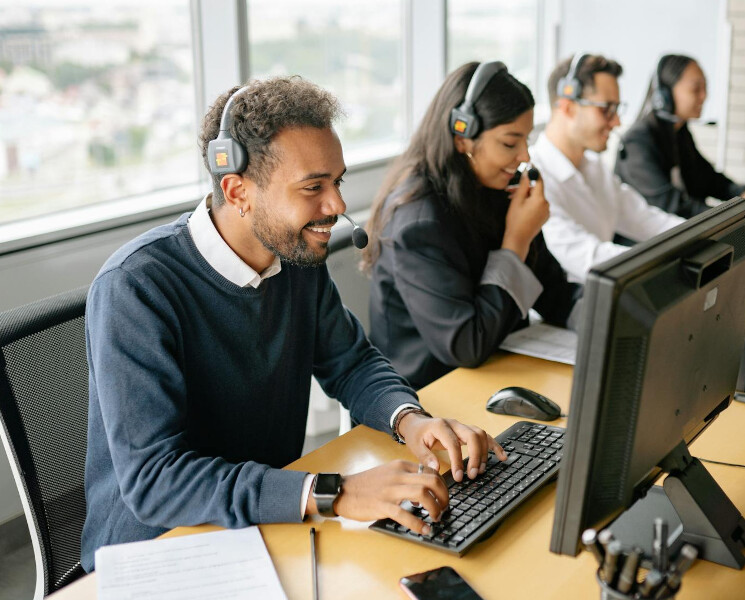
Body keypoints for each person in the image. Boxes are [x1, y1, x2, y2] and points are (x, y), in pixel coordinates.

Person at [81, 77, 505, 571]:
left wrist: (410, 421)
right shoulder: (135, 288)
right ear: (237, 190)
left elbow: (351, 362)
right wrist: (333, 493)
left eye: (338, 182)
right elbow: (154, 481)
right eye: (313, 187)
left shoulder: (296, 259)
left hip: (263, 521)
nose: (338, 206)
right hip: (161, 549)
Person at [363, 61, 582, 391]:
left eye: (526, 139)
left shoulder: (493, 192)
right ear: (462, 136)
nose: (524, 155)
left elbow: (556, 295)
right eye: (510, 143)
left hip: (496, 376)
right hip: (430, 399)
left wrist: (614, 318)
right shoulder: (418, 223)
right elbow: (467, 344)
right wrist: (516, 242)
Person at [531, 53, 685, 283]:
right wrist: (667, 260)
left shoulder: (595, 169)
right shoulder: (534, 177)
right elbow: (588, 257)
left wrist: (703, 235)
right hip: (561, 313)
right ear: (568, 107)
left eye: (617, 109)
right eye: (606, 110)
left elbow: (646, 219)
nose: (617, 122)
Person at [614, 54, 745, 218]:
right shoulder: (637, 142)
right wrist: (730, 217)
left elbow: (707, 178)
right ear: (664, 96)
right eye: (696, 89)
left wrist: (744, 194)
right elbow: (672, 206)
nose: (704, 96)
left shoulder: (679, 132)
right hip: (643, 239)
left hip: (676, 232)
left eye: (705, 87)